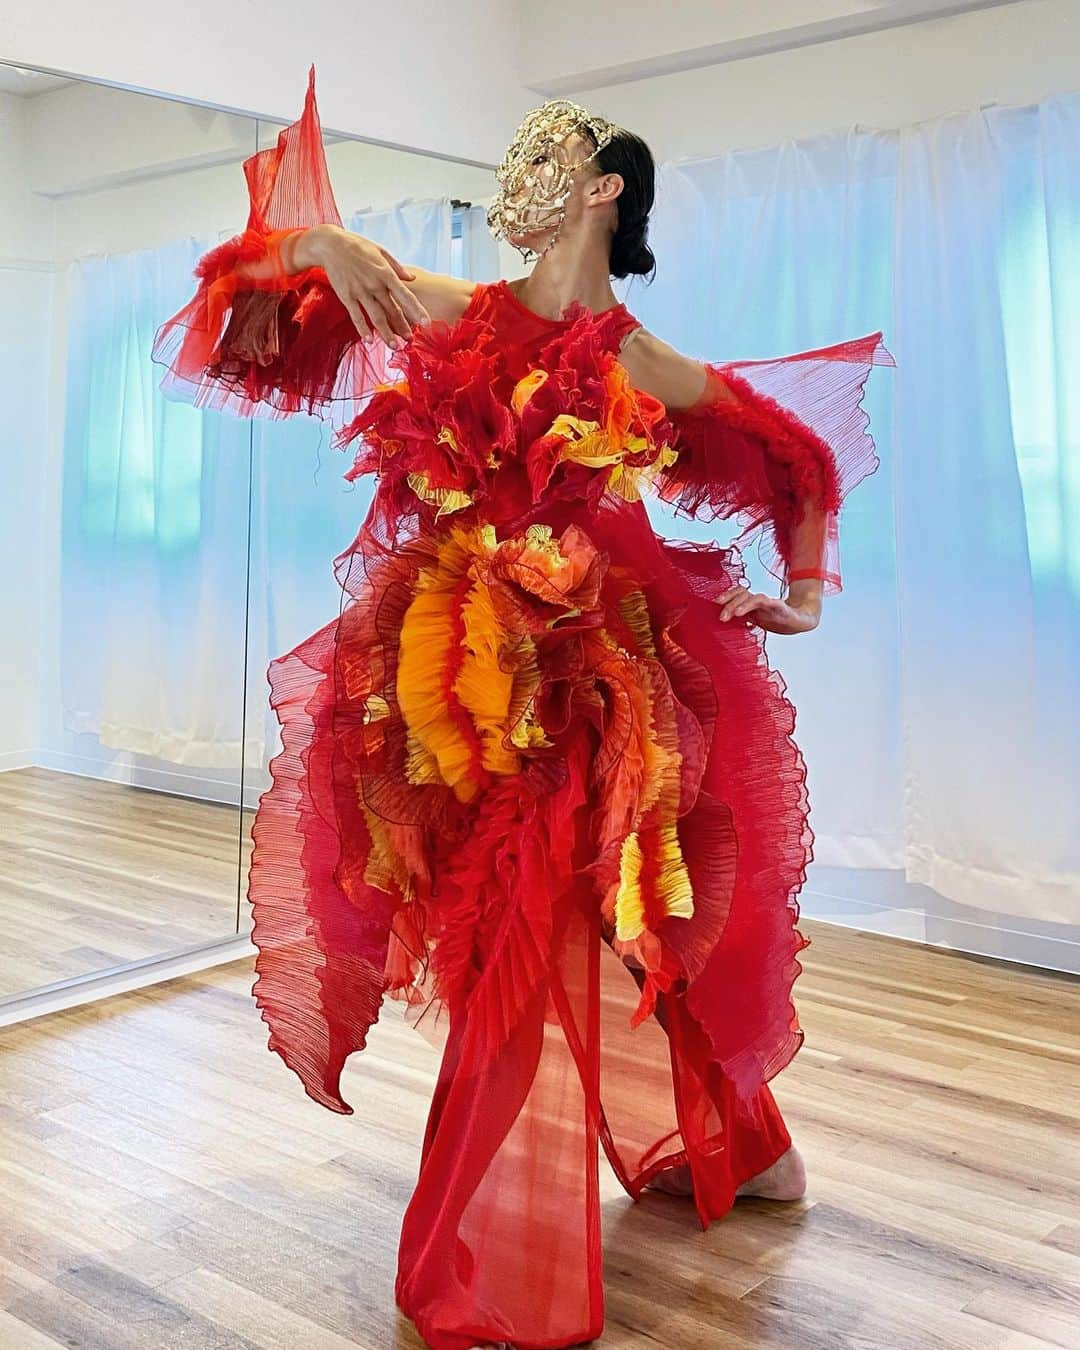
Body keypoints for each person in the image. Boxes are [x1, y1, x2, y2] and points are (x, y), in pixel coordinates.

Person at [152, 65, 893, 1350]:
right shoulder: (458, 310)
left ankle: (478, 1253)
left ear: (604, 190)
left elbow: (800, 457)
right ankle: (737, 1148)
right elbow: (245, 286)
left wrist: (812, 592)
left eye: (561, 164)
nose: (529, 185)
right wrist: (324, 240)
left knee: (549, 933)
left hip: (599, 689)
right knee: (559, 932)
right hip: (460, 682)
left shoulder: (638, 359)